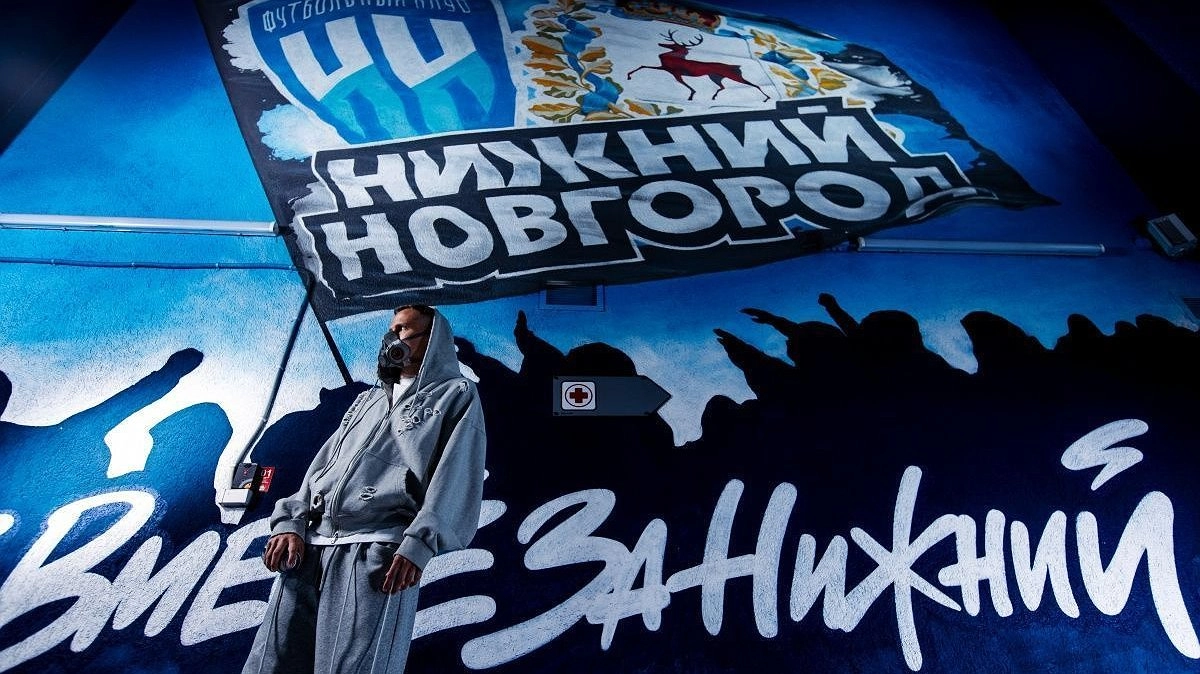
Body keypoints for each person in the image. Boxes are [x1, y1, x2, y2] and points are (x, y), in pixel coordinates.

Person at [243, 304, 487, 674]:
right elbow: (326, 463)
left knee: (355, 668)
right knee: (271, 664)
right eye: (392, 329)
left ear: (432, 340)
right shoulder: (369, 399)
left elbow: (456, 471)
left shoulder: (455, 394)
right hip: (311, 546)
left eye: (405, 330)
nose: (394, 337)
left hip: (375, 550)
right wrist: (291, 522)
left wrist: (420, 543)